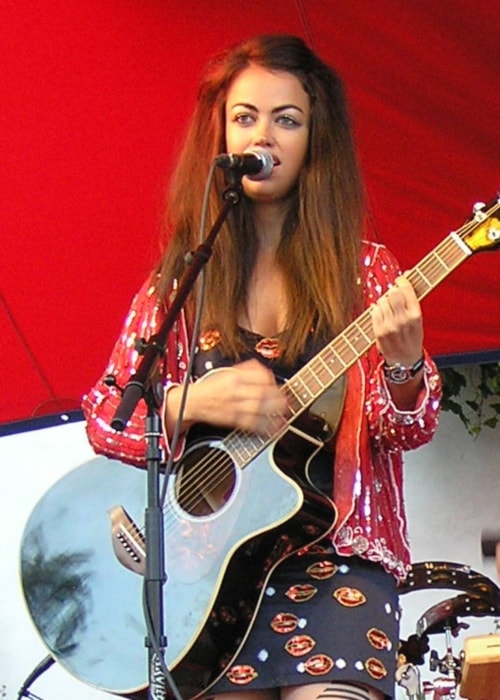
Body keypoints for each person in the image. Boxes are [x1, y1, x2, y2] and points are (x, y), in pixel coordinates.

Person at [82, 34, 442, 700]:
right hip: (211, 573)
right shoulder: (182, 284)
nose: (264, 135)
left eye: (287, 119)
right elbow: (108, 420)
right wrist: (188, 402)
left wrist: (403, 368)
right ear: (220, 135)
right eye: (246, 117)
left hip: (338, 562)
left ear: (315, 140)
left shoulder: (364, 273)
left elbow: (410, 428)